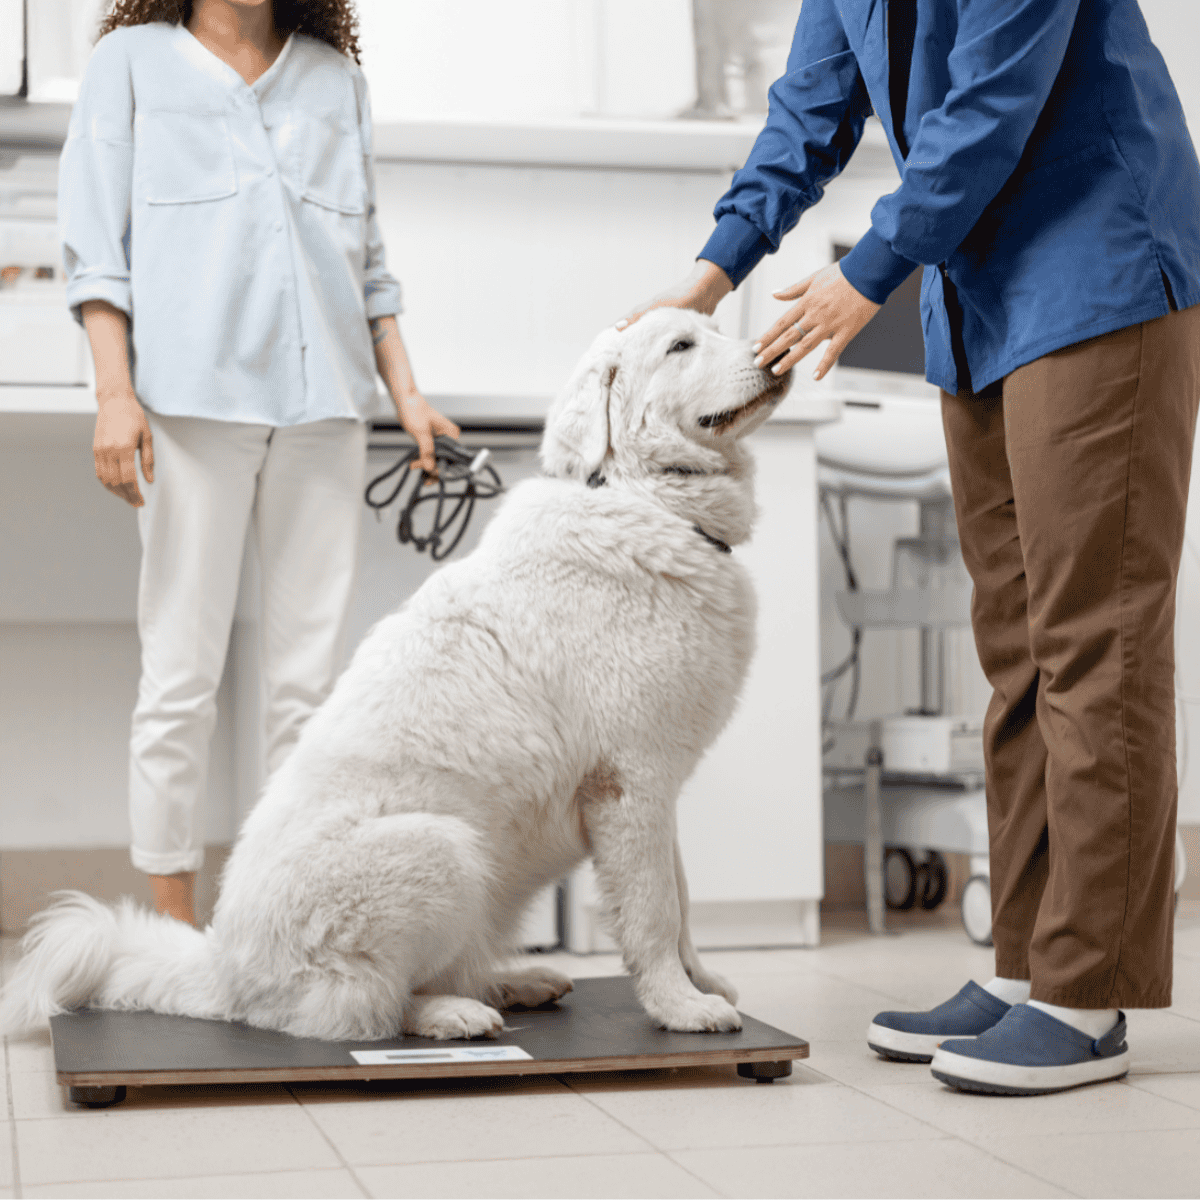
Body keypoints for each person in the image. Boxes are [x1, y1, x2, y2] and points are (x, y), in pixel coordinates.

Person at [625, 0, 1200, 1095]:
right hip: (980, 291)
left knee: (1095, 641)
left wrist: (864, 275)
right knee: (1018, 647)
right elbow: (811, 108)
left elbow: (990, 104)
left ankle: (1089, 996)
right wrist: (708, 276)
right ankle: (1030, 970)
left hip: (1098, 264)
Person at [61, 0, 459, 926]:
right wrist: (114, 394)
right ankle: (172, 934)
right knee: (180, 676)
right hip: (187, 405)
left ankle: (284, 920)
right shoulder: (131, 64)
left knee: (310, 694)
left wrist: (405, 393)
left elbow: (370, 266)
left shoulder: (335, 79)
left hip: (326, 410)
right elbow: (97, 253)